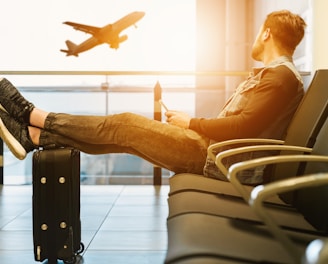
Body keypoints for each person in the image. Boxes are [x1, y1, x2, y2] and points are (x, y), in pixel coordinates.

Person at [0, 10, 306, 184]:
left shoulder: (280, 77)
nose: (255, 39)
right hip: (215, 154)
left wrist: (192, 123)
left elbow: (243, 127)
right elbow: (244, 125)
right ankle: (34, 137)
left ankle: (31, 115)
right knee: (124, 138)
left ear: (266, 34)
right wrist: (191, 124)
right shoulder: (278, 76)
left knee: (124, 124)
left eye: (258, 34)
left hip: (216, 159)